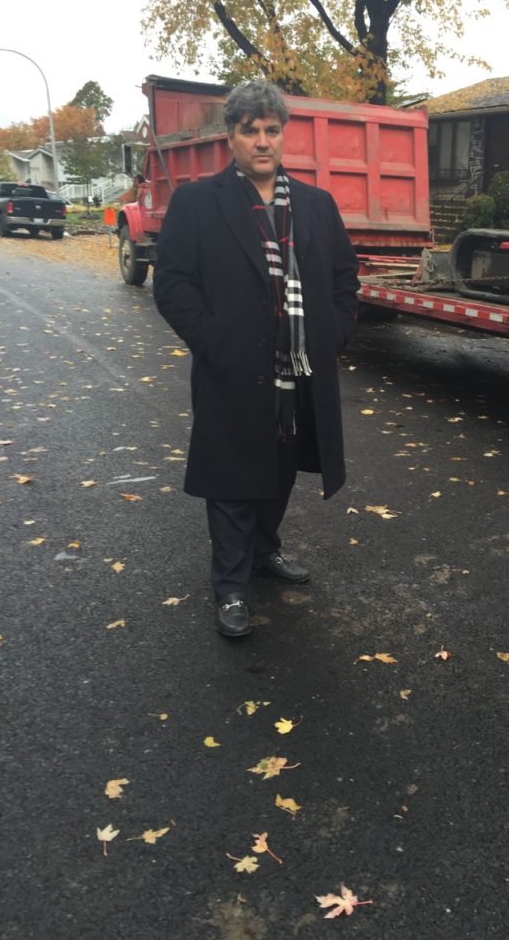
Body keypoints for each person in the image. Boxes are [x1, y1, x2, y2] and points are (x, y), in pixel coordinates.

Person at [153, 80, 359, 636]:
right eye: (251, 131)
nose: (262, 141)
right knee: (231, 479)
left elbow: (344, 278)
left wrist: (333, 334)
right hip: (231, 369)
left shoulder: (316, 205)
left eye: (272, 130)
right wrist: (213, 342)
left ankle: (264, 552)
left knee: (282, 469)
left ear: (282, 134)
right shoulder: (199, 202)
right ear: (232, 138)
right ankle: (231, 586)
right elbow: (172, 285)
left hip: (300, 370)